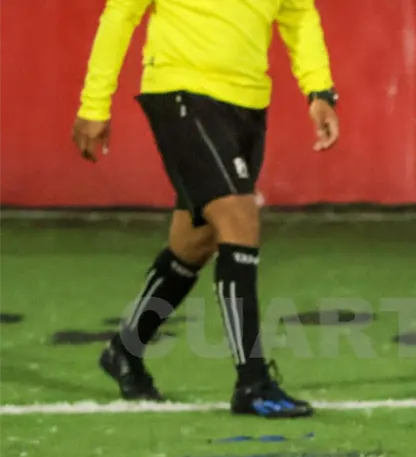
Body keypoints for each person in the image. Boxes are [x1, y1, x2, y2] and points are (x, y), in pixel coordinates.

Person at [71, 0, 340, 418]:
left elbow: (298, 13)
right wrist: (94, 104)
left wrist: (319, 91)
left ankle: (125, 348)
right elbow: (120, 13)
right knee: (238, 218)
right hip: (183, 91)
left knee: (195, 240)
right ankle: (252, 382)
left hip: (248, 103)